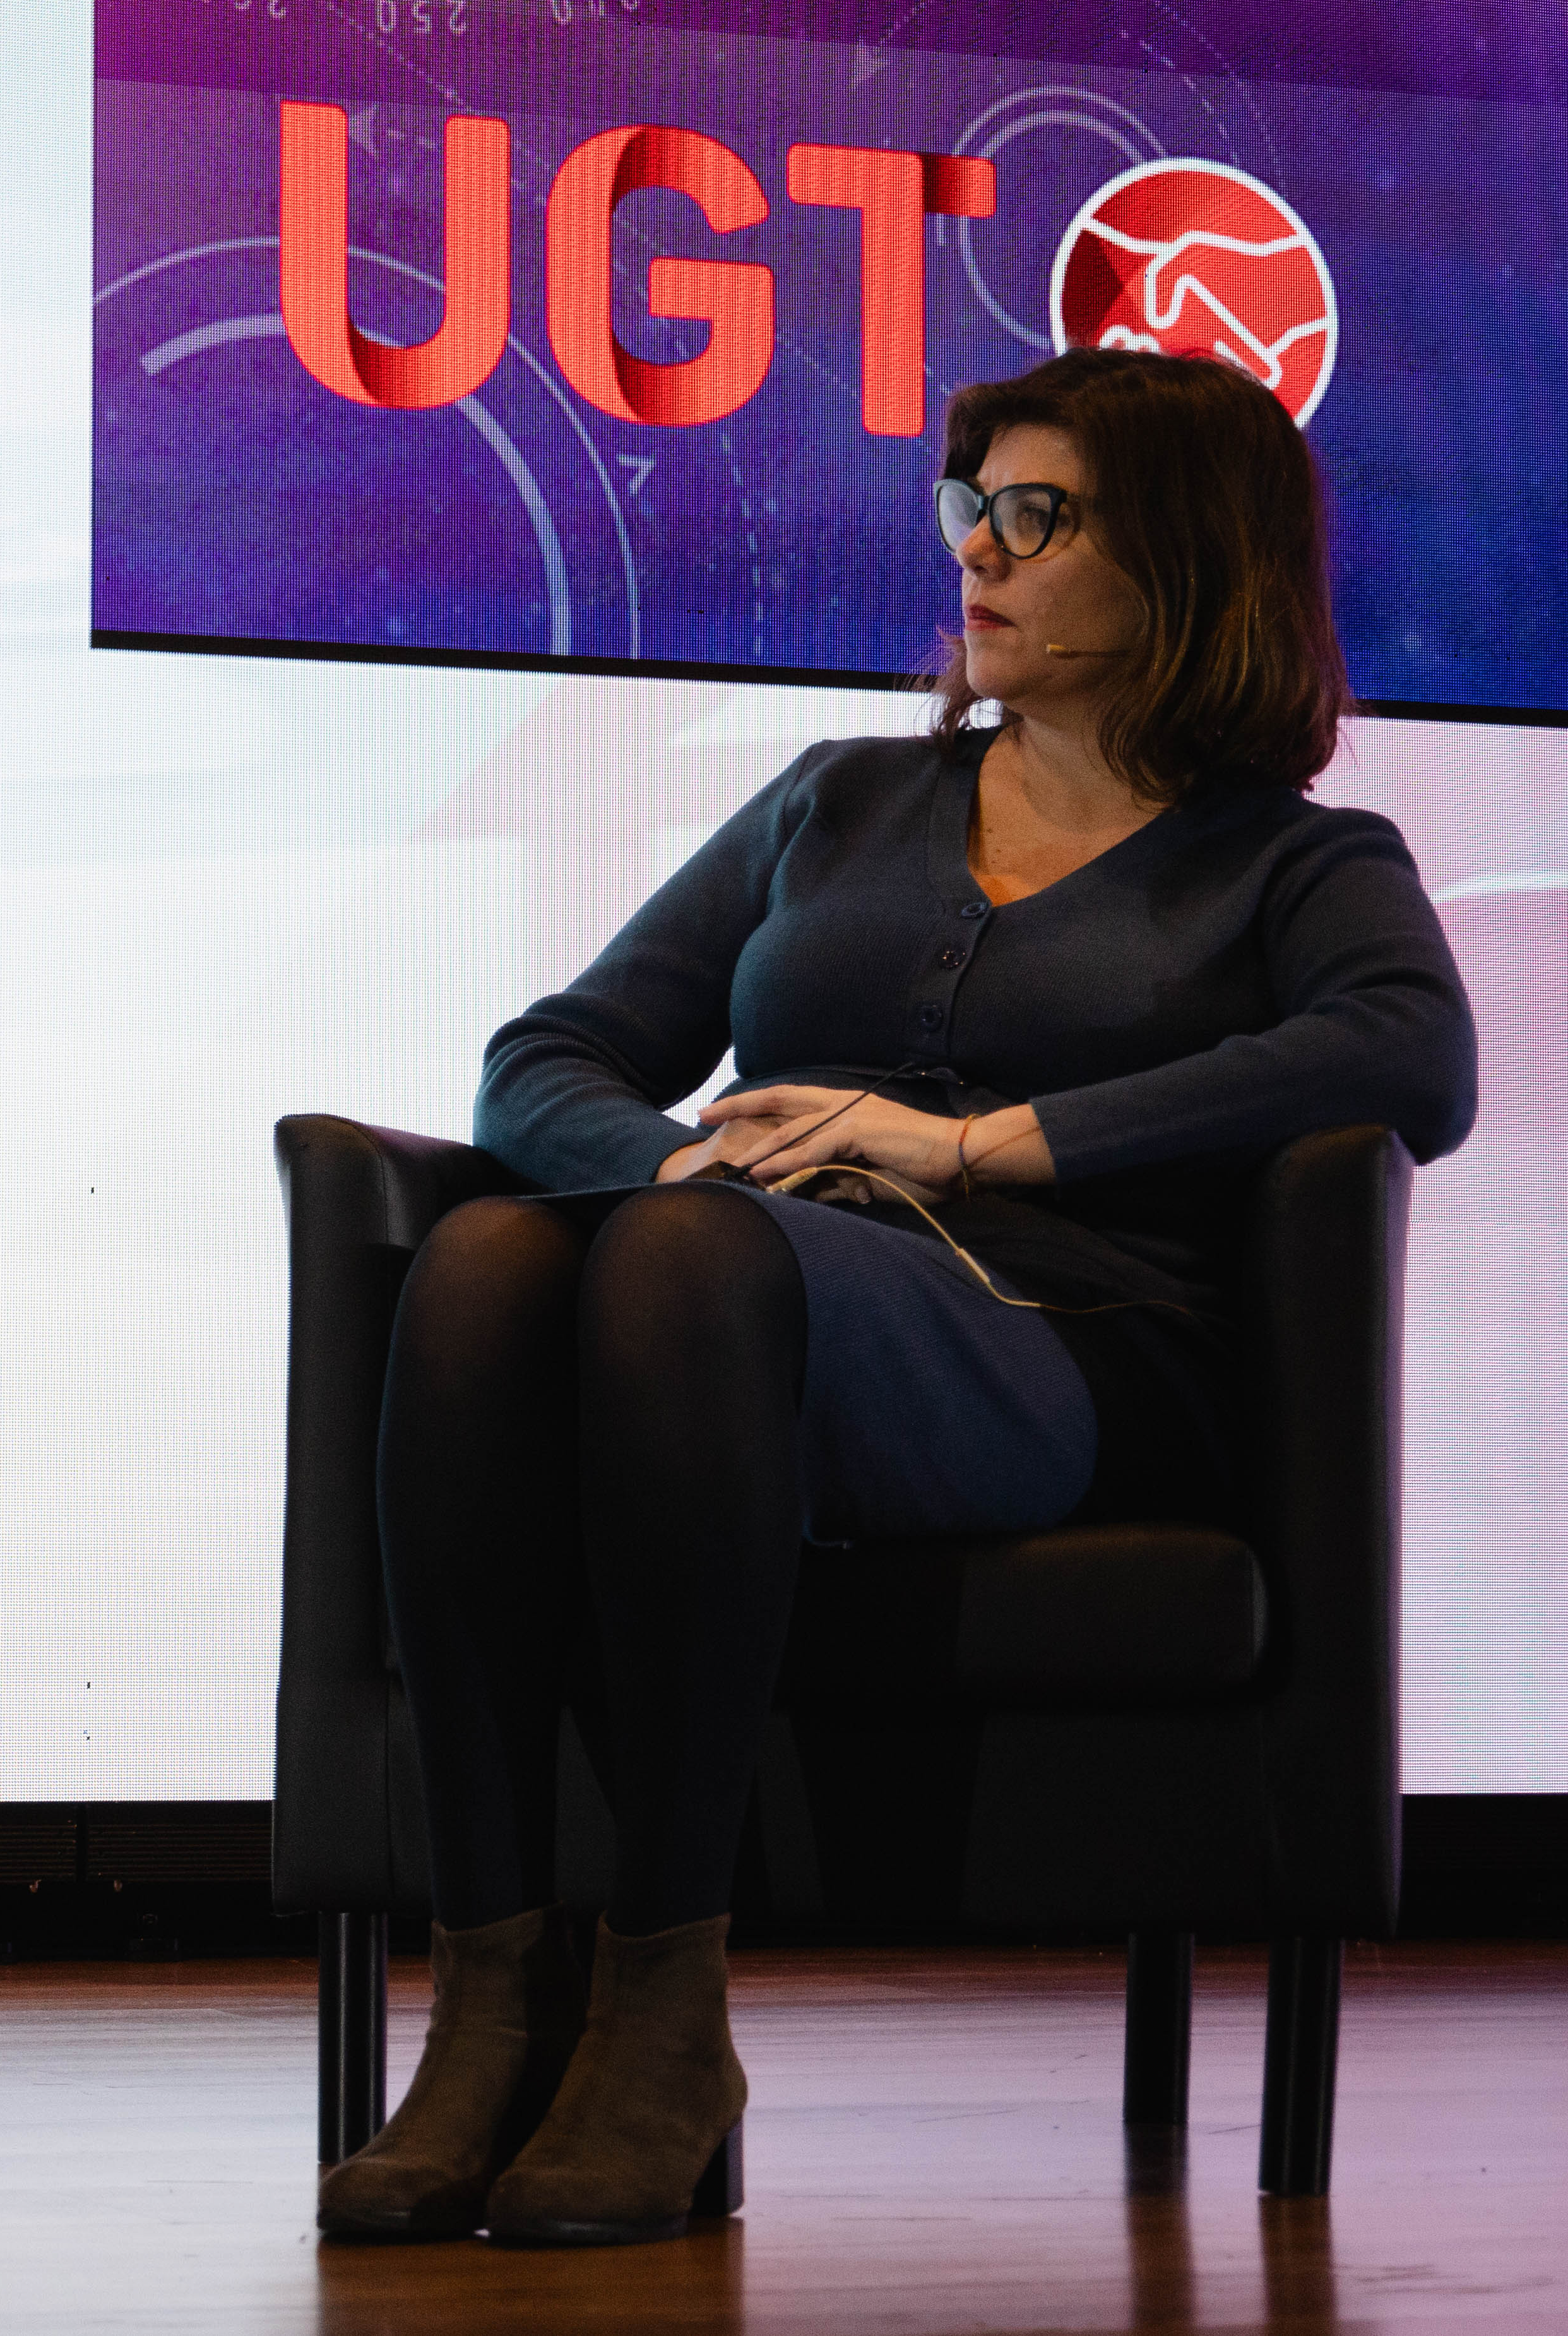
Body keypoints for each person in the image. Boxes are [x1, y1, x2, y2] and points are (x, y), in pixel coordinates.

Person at [321, 348, 1476, 2249]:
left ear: (1187, 561)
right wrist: (684, 1164)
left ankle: (664, 2011)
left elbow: (1408, 1059)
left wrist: (978, 1142)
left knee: (679, 1262)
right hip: (741, 1297)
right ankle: (495, 2001)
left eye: (1040, 516)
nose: (979, 554)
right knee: (486, 1254)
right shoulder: (837, 803)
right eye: (969, 510)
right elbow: (547, 1058)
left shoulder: (1293, 863)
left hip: (1064, 1350)